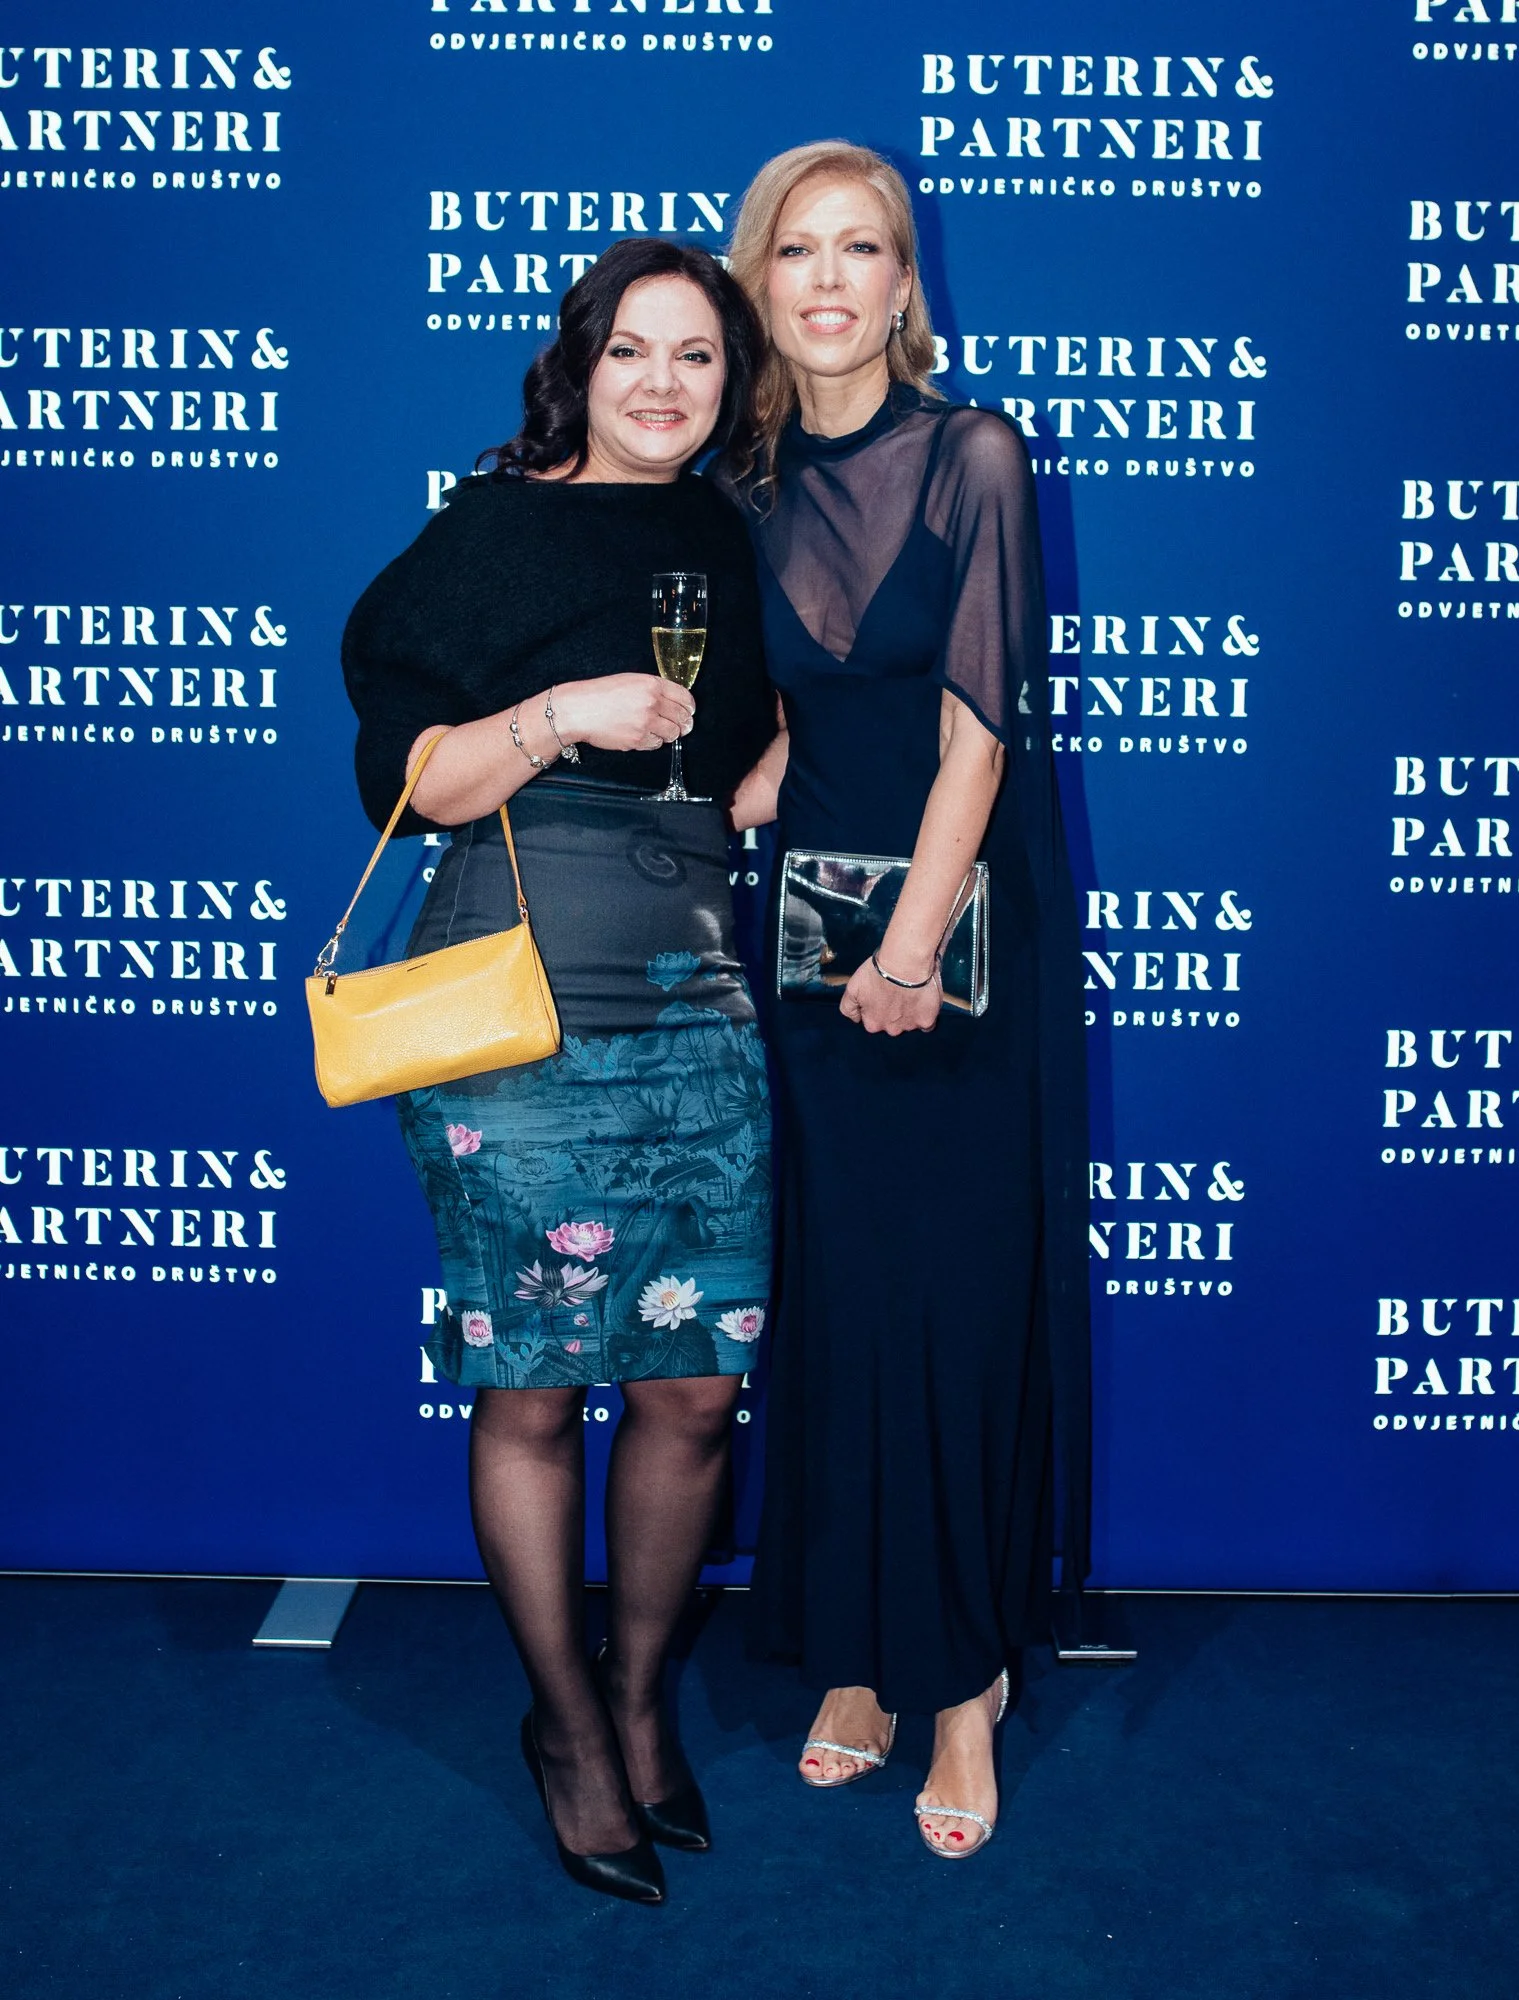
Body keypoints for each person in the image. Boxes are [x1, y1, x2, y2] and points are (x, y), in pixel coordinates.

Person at [341, 240, 778, 1905]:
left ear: (731, 388)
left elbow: (734, 763)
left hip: (699, 1004)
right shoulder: (497, 532)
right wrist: (557, 711)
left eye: (697, 359)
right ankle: (569, 1732)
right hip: (522, 1007)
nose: (664, 384)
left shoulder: (730, 542)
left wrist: (786, 749)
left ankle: (646, 1701)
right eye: (632, 354)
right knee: (533, 1386)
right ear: (578, 370)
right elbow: (417, 782)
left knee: (691, 1385)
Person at [720, 143, 1090, 1859]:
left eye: (862, 249)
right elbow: (823, 682)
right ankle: (859, 1656)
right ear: (762, 277)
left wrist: (918, 944)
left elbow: (977, 718)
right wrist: (764, 767)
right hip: (807, 943)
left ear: (902, 283)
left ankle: (961, 1687)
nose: (829, 280)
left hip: (952, 946)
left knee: (952, 1297)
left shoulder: (975, 455)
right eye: (799, 250)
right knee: (846, 1295)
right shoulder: (752, 473)